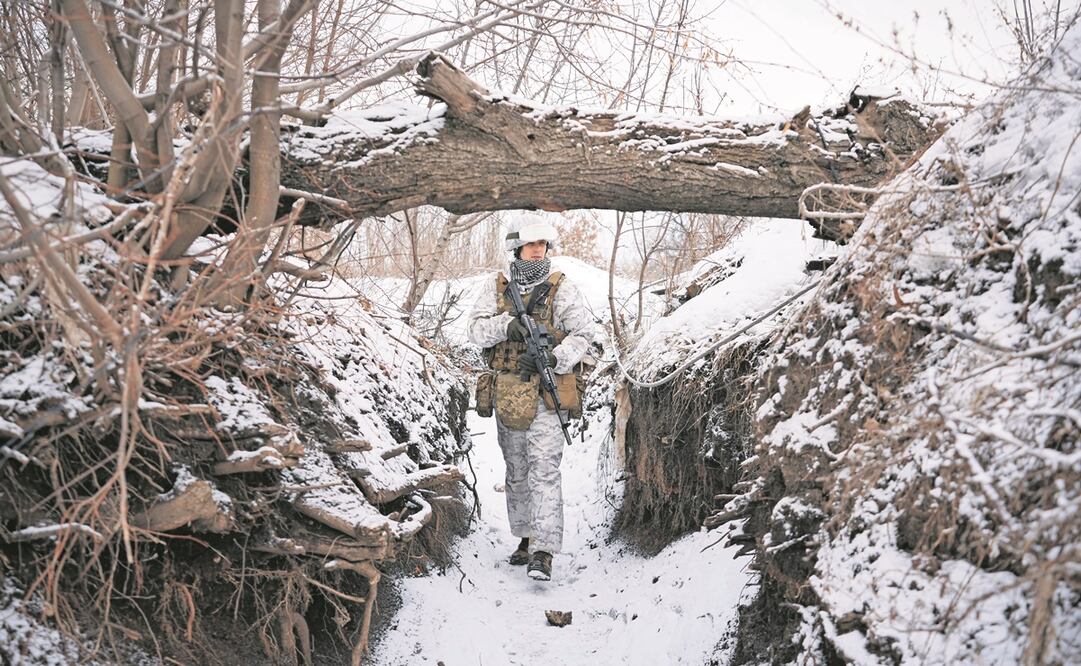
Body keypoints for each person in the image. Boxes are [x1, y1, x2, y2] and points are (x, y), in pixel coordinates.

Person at [466, 214, 595, 581]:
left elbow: (584, 334)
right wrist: (505, 327)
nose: (538, 251)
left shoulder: (562, 288)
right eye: (531, 245)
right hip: (509, 392)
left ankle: (544, 550)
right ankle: (524, 537)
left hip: (546, 392)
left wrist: (556, 357)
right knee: (517, 471)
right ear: (517, 249)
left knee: (544, 472)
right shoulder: (497, 287)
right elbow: (474, 330)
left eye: (543, 245)